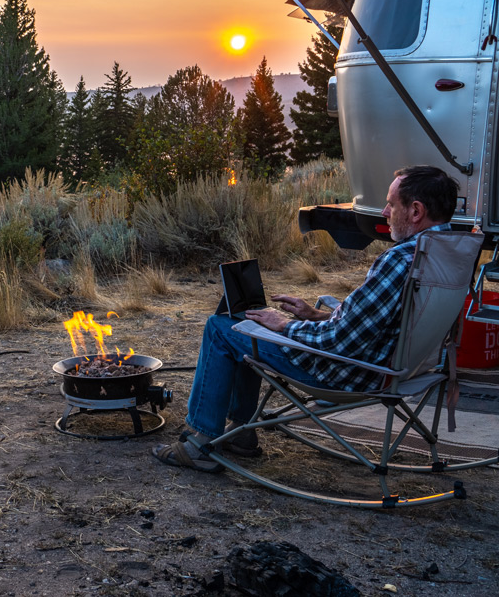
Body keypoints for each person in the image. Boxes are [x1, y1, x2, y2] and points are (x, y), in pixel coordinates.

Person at [152, 165, 460, 472]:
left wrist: (285, 325)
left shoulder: (399, 259)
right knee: (251, 327)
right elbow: (388, 322)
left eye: (392, 204)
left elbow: (338, 341)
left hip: (348, 371)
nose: (384, 212)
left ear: (416, 211)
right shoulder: (448, 254)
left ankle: (199, 443)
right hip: (402, 369)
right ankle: (241, 434)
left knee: (221, 328)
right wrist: (315, 315)